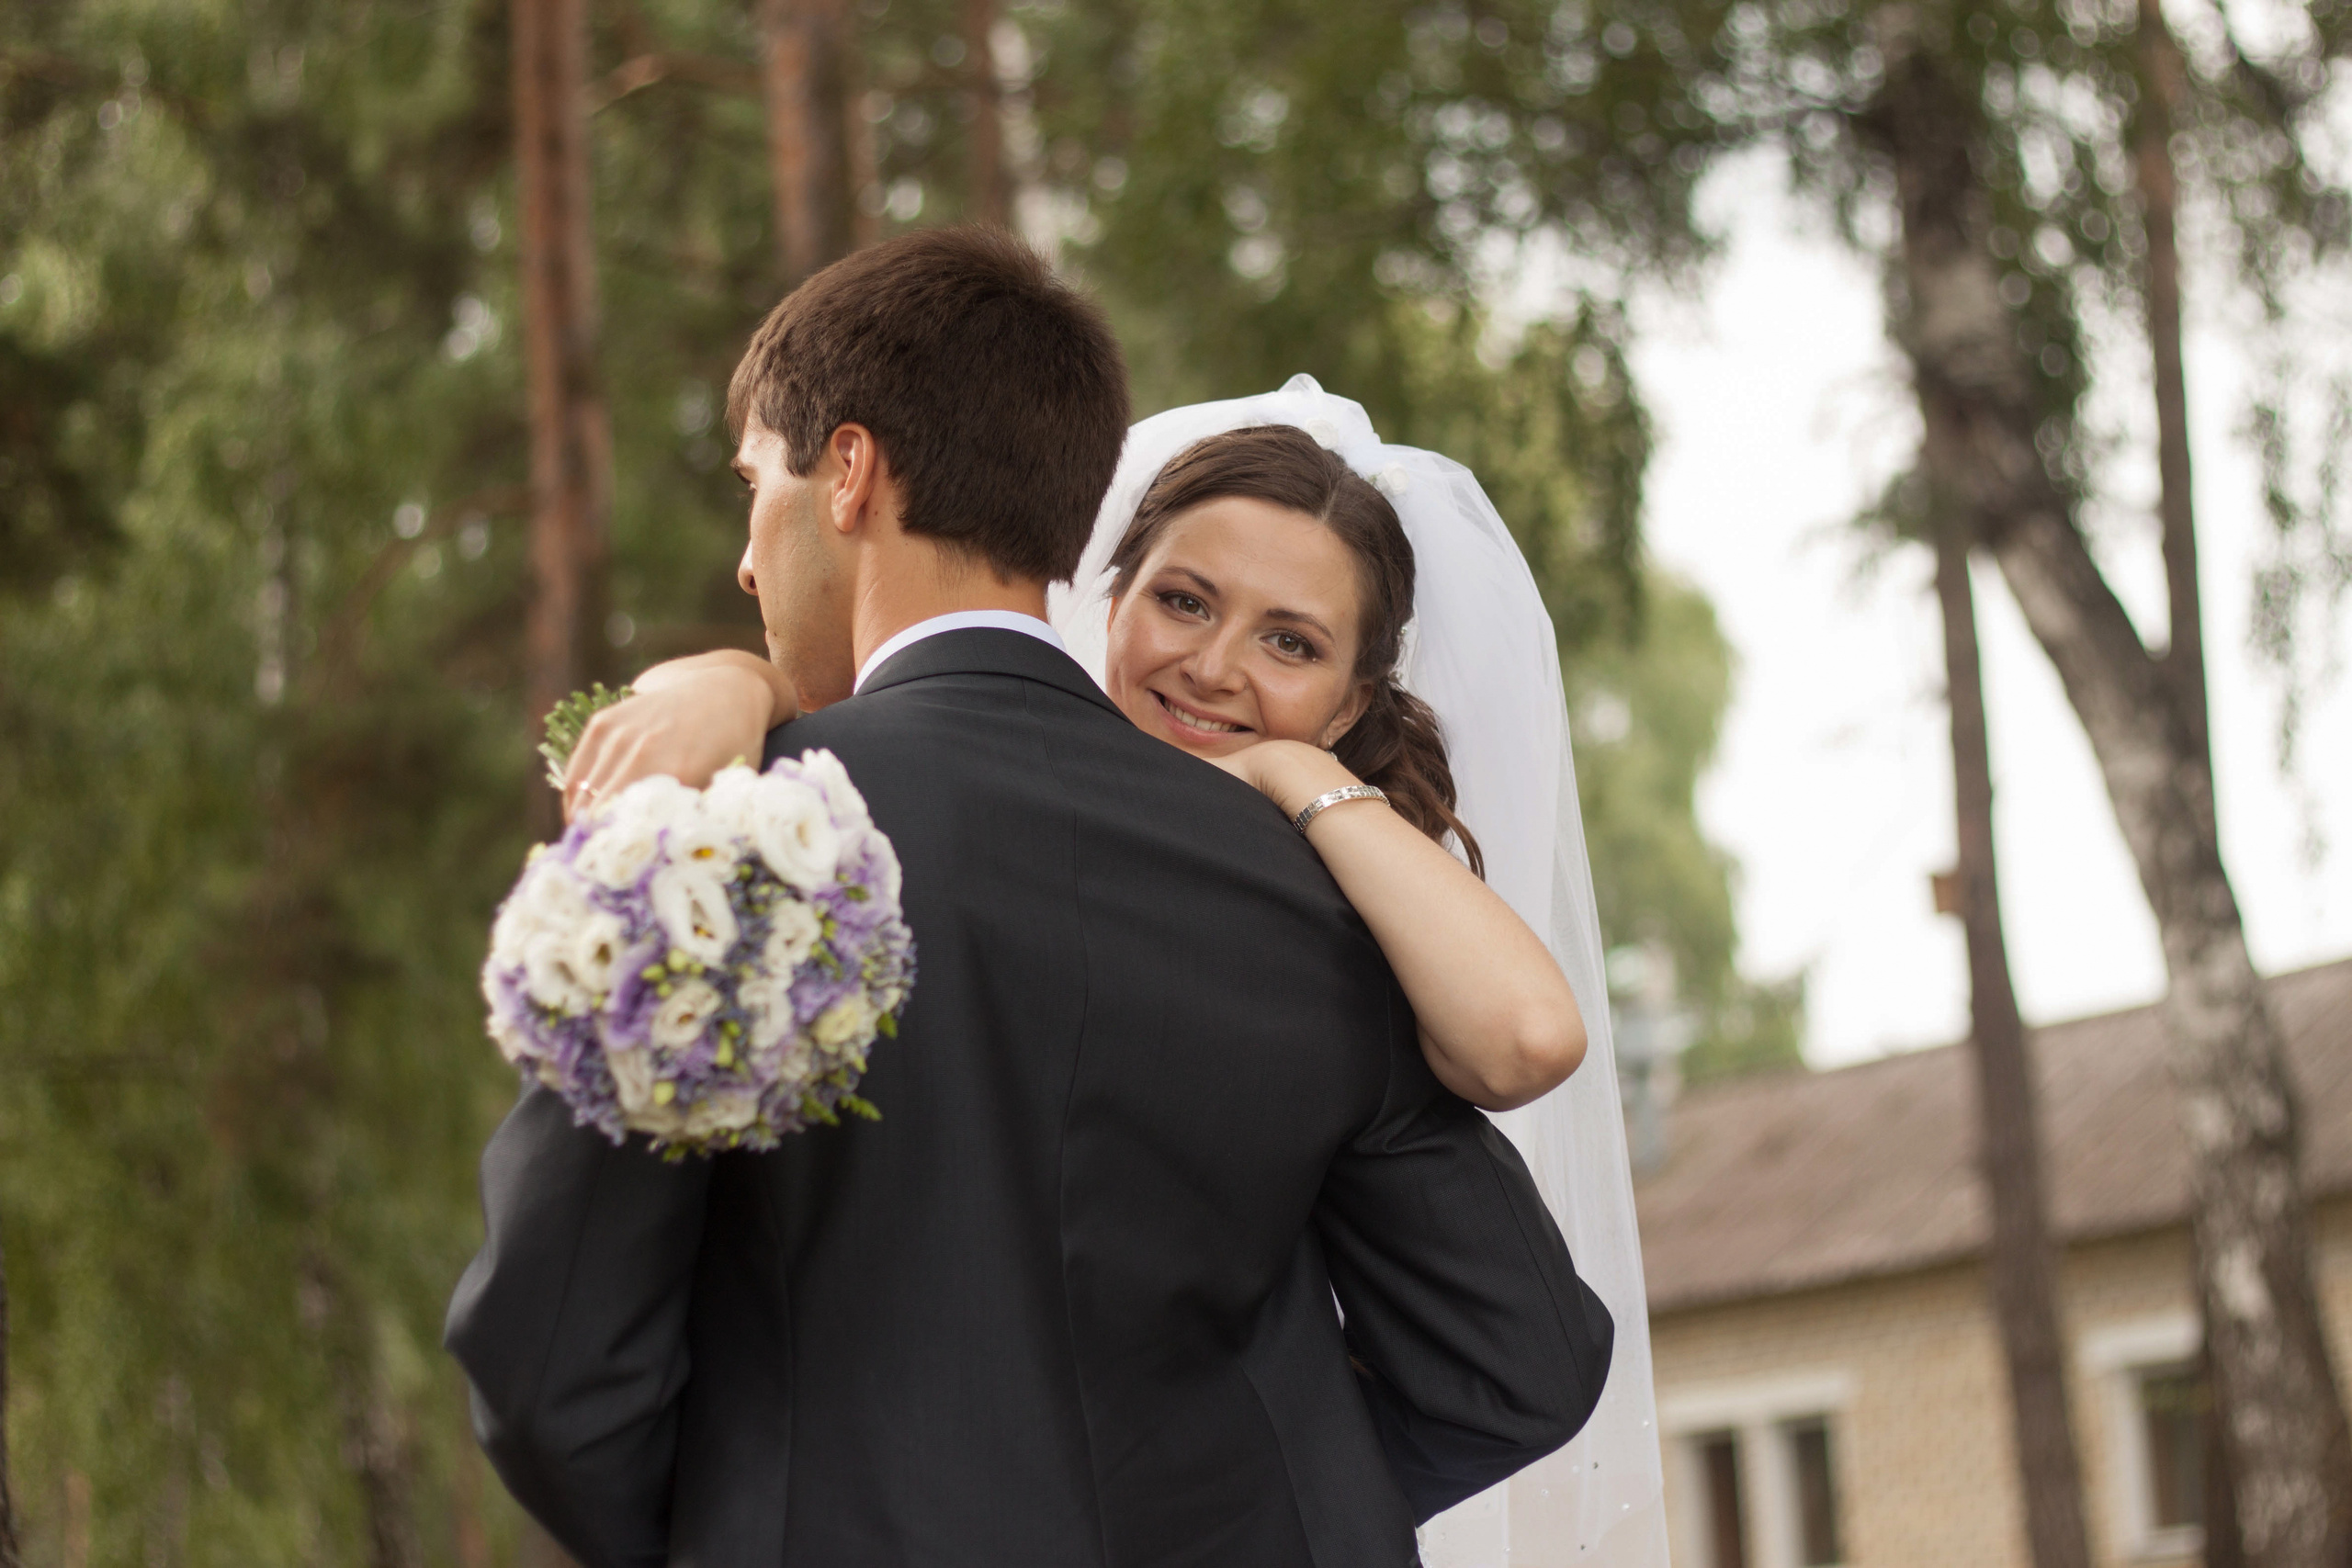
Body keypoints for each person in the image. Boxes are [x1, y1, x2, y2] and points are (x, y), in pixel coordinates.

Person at [446, 228, 1614, 1568]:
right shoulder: (1328, 903)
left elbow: (547, 1366)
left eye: (753, 487)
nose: (745, 564)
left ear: (849, 472)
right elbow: (1515, 1362)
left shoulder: (735, 850)